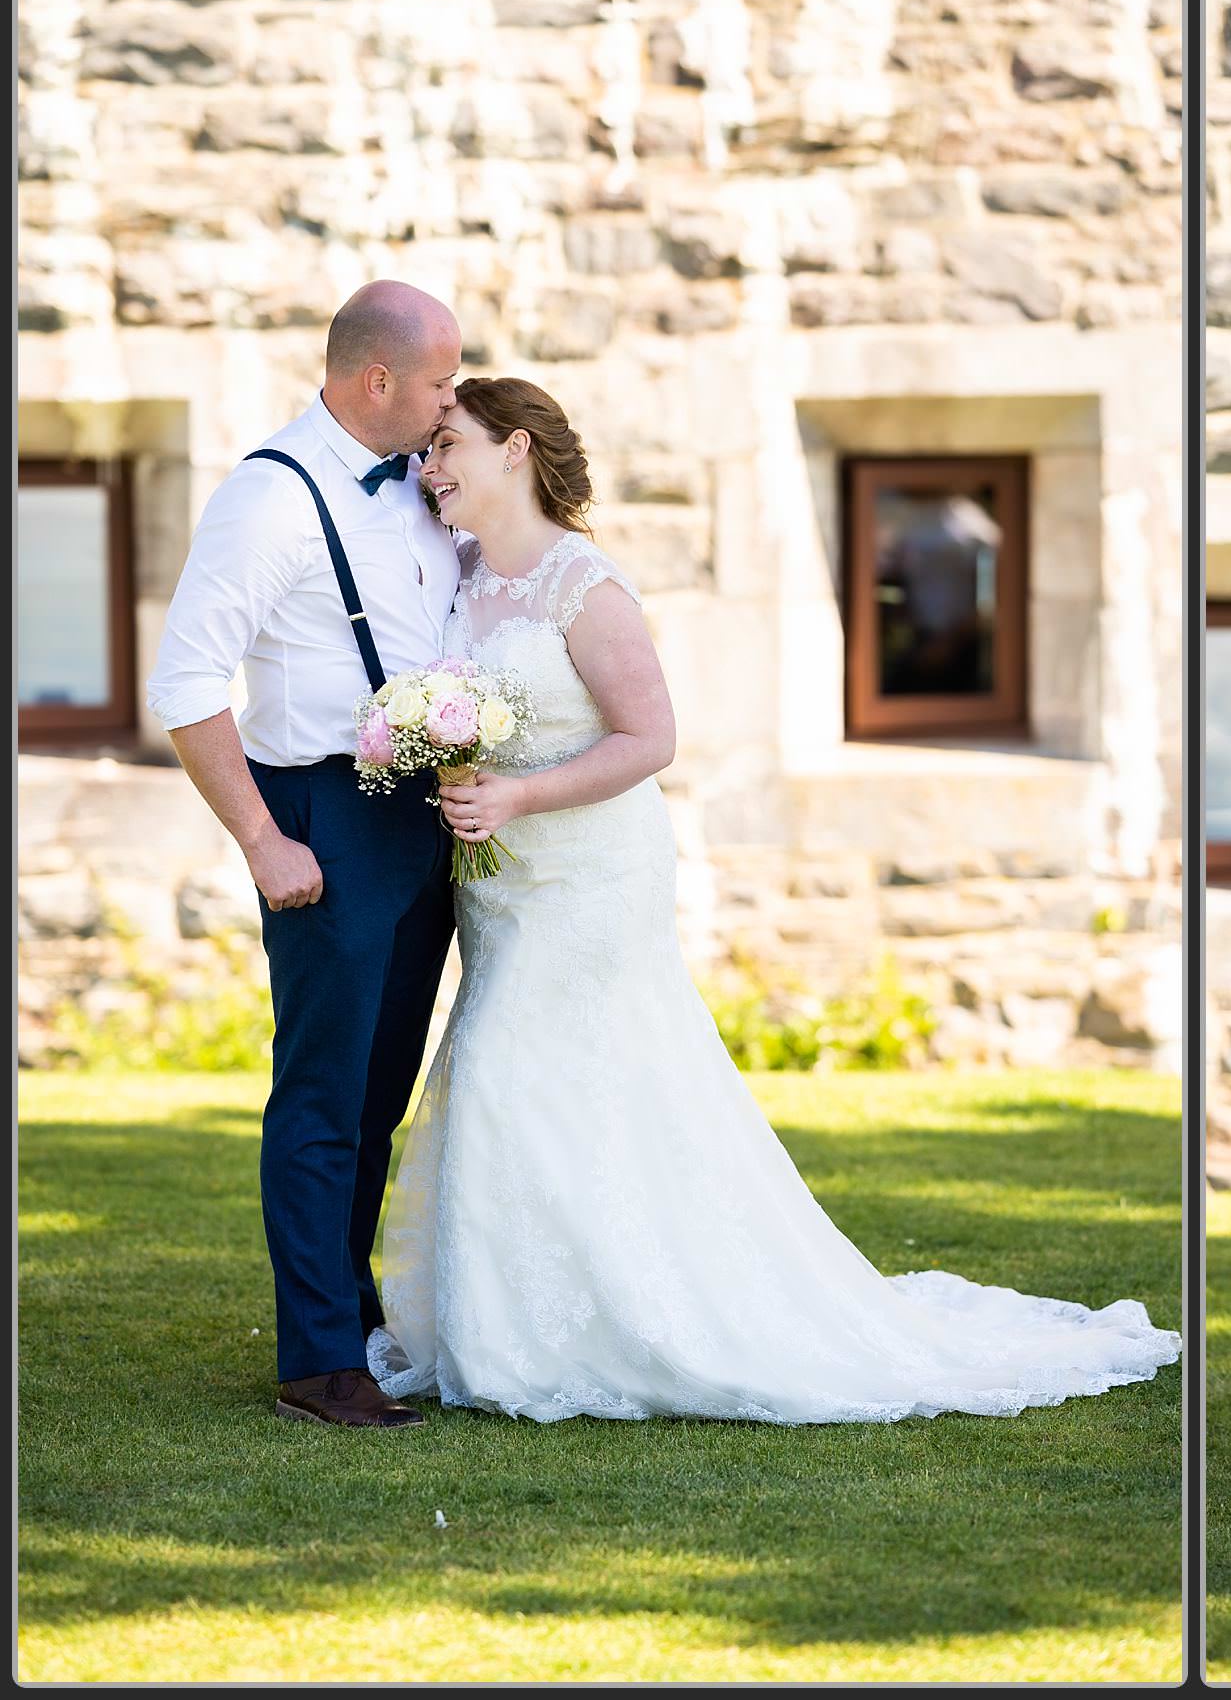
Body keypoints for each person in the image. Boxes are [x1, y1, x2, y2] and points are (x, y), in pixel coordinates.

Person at [364, 376, 1179, 1424]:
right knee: (526, 1076)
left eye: (446, 448)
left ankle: (618, 1324)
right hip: (505, 881)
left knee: (516, 1064)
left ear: (515, 449)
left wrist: (519, 793)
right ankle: (527, 1319)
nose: (430, 470)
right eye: (428, 454)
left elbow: (648, 740)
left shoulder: (585, 584)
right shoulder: (459, 577)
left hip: (590, 872)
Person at [147, 280, 463, 1428]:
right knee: (324, 1094)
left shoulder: (429, 484)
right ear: (377, 380)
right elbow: (185, 685)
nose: (452, 398)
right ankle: (316, 1360)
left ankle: (355, 1315)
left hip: (418, 816)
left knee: (379, 1093)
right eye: (441, 379)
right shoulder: (269, 497)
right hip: (320, 818)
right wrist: (262, 839)